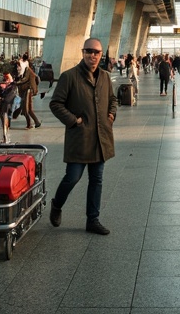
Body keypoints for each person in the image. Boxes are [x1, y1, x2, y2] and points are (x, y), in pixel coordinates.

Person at [48, 38, 117, 235]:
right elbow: (56, 104)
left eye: (96, 52)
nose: (92, 55)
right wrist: (74, 121)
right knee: (72, 177)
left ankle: (93, 220)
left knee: (97, 180)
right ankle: (57, 204)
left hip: (100, 138)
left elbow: (112, 99)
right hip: (80, 138)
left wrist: (111, 114)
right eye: (89, 51)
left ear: (101, 55)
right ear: (82, 52)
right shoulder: (69, 76)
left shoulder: (104, 76)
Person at [17, 55, 42, 129]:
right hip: (28, 91)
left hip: (28, 91)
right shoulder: (26, 70)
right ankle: (36, 122)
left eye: (18, 66)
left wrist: (17, 82)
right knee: (29, 109)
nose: (18, 68)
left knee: (26, 109)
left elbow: (25, 79)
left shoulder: (27, 70)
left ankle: (29, 124)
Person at [0, 73, 17, 144]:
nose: (7, 80)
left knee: (5, 123)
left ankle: (6, 138)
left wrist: (3, 97)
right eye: (6, 78)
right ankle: (5, 137)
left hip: (8, 107)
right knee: (3, 123)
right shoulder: (3, 86)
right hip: (3, 106)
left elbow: (9, 97)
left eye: (8, 78)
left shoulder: (13, 86)